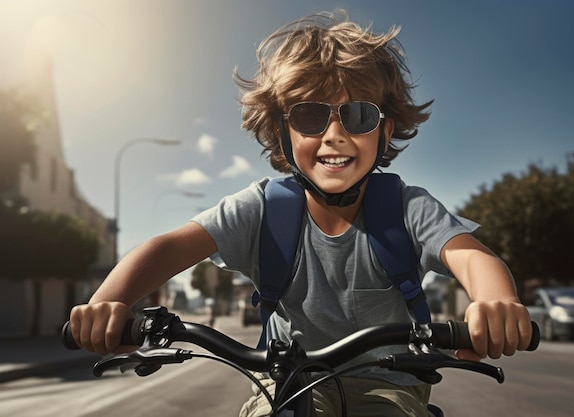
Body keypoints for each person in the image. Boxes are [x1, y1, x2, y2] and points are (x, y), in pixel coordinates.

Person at [70, 10, 533, 417]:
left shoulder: (408, 208)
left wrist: (496, 302)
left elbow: (472, 256)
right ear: (281, 131)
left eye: (358, 117)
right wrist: (107, 303)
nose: (334, 134)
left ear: (385, 130)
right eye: (310, 117)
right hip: (286, 380)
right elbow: (166, 247)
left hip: (389, 385)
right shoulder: (263, 209)